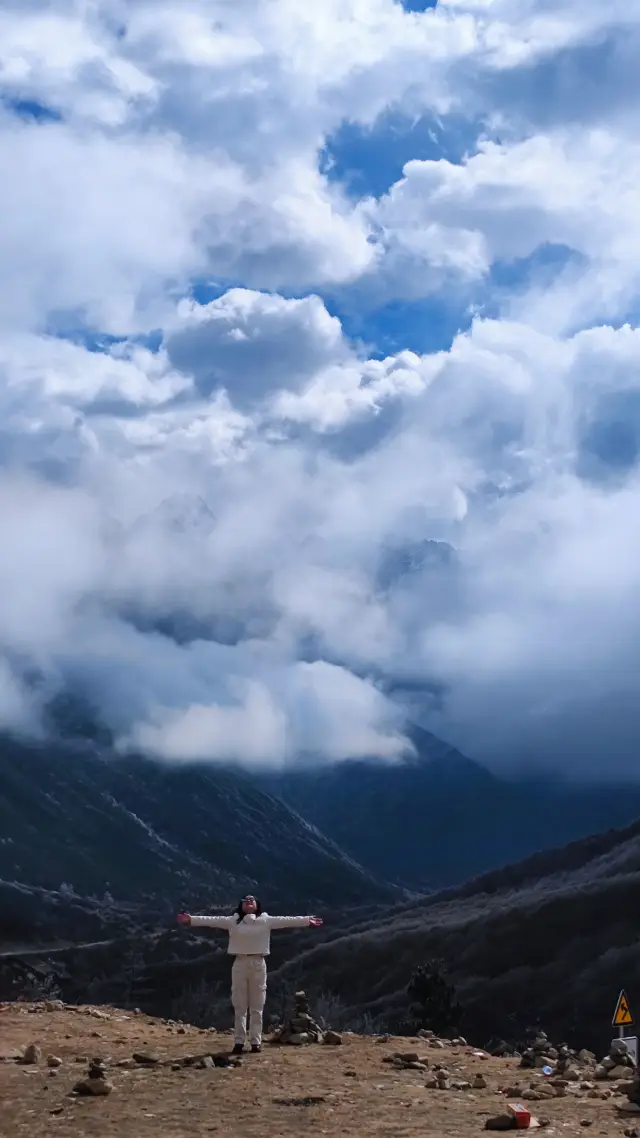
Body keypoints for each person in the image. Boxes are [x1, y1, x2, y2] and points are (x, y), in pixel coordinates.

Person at [176, 895, 323, 1053]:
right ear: (241, 906)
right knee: (239, 1005)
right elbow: (211, 920)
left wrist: (307, 920)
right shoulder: (233, 921)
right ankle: (239, 1041)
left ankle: (255, 1042)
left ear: (257, 905)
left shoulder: (266, 920)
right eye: (245, 900)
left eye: (252, 900)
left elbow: (287, 920)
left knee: (257, 1005)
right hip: (240, 962)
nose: (249, 901)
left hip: (259, 963)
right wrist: (191, 919)